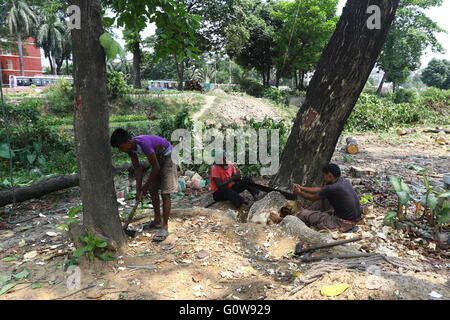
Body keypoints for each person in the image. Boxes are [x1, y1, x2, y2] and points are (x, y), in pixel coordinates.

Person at [110, 128, 178, 242]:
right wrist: (138, 190)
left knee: (165, 192)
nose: (121, 150)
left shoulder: (144, 144)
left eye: (121, 147)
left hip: (169, 156)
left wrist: (144, 187)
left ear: (128, 141)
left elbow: (155, 167)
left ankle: (164, 227)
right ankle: (157, 221)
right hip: (157, 158)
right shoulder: (130, 150)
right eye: (118, 148)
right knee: (152, 189)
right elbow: (137, 169)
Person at [270, 163, 361, 232]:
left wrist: (299, 193)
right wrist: (302, 188)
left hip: (342, 223)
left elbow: (313, 197)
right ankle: (305, 213)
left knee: (305, 213)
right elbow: (320, 189)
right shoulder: (341, 181)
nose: (323, 177)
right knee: (324, 199)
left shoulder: (332, 188)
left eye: (324, 175)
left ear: (329, 175)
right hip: (351, 219)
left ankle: (282, 220)